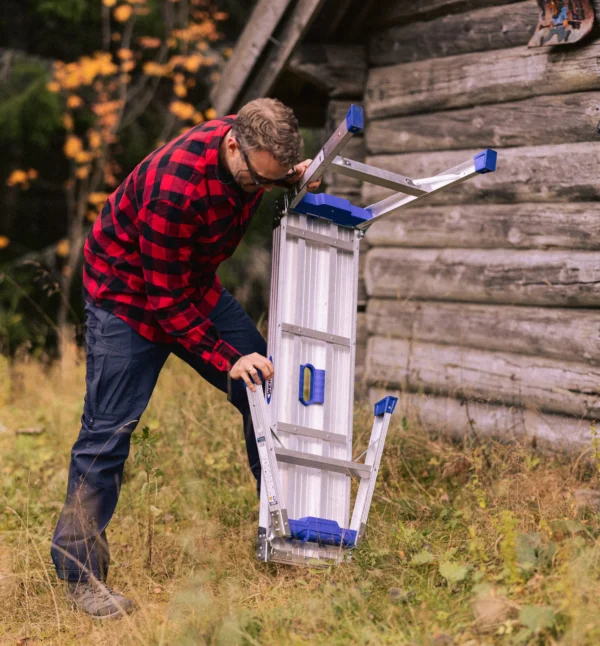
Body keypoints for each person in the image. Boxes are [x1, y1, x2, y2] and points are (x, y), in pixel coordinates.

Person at [50, 98, 321, 619]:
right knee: (107, 433)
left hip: (189, 283)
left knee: (265, 385)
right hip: (127, 297)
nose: (258, 190)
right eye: (255, 181)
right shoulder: (176, 187)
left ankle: (283, 531)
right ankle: (78, 574)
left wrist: (290, 179)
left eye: (271, 180)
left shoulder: (256, 157)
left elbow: (185, 287)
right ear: (234, 145)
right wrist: (226, 359)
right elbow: (165, 303)